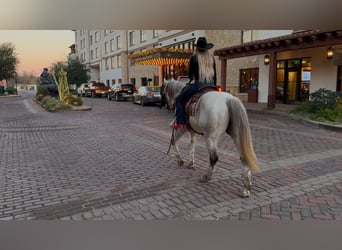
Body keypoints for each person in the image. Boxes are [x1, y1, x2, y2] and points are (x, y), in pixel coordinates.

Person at [171, 37, 217, 129]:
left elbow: (191, 76)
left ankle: (180, 122)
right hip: (212, 86)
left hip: (198, 86)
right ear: (206, 48)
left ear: (197, 48)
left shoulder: (193, 58)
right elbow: (215, 75)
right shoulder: (211, 58)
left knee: (178, 100)